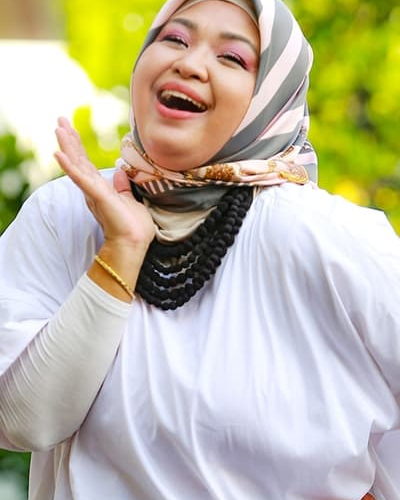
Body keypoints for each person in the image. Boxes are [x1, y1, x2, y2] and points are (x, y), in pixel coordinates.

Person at [0, 0, 399, 498]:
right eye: (174, 39)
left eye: (232, 57)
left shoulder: (334, 241)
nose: (189, 64)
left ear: (271, 97)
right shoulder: (64, 213)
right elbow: (23, 420)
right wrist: (121, 249)